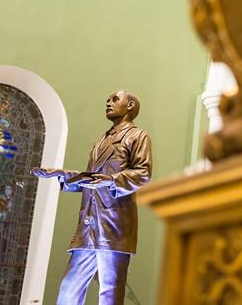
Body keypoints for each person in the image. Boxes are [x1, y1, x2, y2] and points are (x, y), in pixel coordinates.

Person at [32, 90, 152, 305]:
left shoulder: (137, 136)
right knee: (69, 287)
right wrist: (63, 174)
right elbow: (92, 179)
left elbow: (143, 173)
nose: (108, 102)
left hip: (114, 223)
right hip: (88, 225)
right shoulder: (100, 142)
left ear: (131, 105)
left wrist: (111, 180)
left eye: (115, 99)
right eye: (107, 99)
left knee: (110, 291)